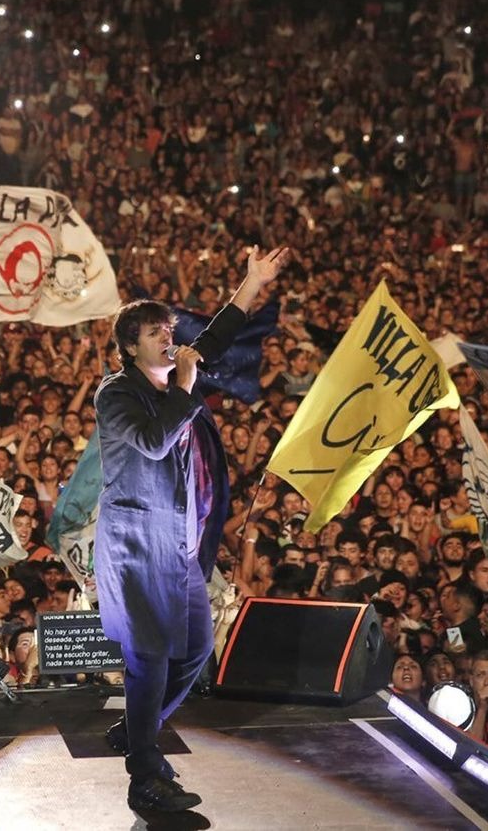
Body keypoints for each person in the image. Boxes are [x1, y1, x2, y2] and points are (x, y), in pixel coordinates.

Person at [96, 245, 290, 813]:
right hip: (137, 547)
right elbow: (154, 441)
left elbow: (219, 335)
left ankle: (138, 727)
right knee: (150, 658)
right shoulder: (117, 393)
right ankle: (145, 774)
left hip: (179, 545)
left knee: (197, 647)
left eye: (169, 330)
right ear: (130, 347)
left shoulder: (177, 379)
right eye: (155, 333)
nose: (169, 338)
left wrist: (252, 284)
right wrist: (184, 383)